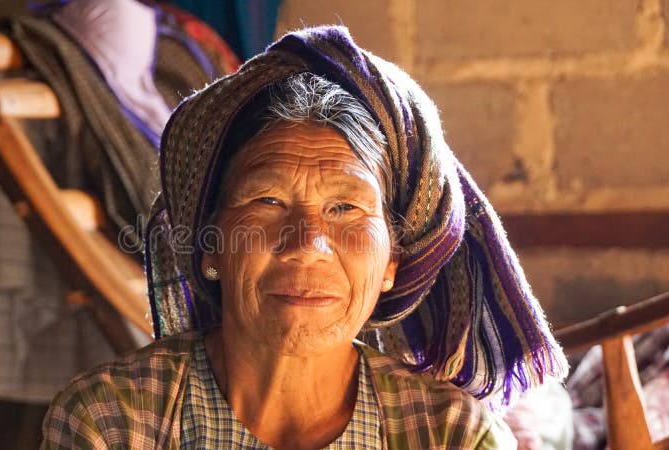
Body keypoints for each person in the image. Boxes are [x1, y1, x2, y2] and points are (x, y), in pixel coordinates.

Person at [40, 26, 568, 449]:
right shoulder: (112, 424)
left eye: (346, 208)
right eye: (266, 201)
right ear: (208, 247)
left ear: (391, 263)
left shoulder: (449, 435)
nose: (308, 242)